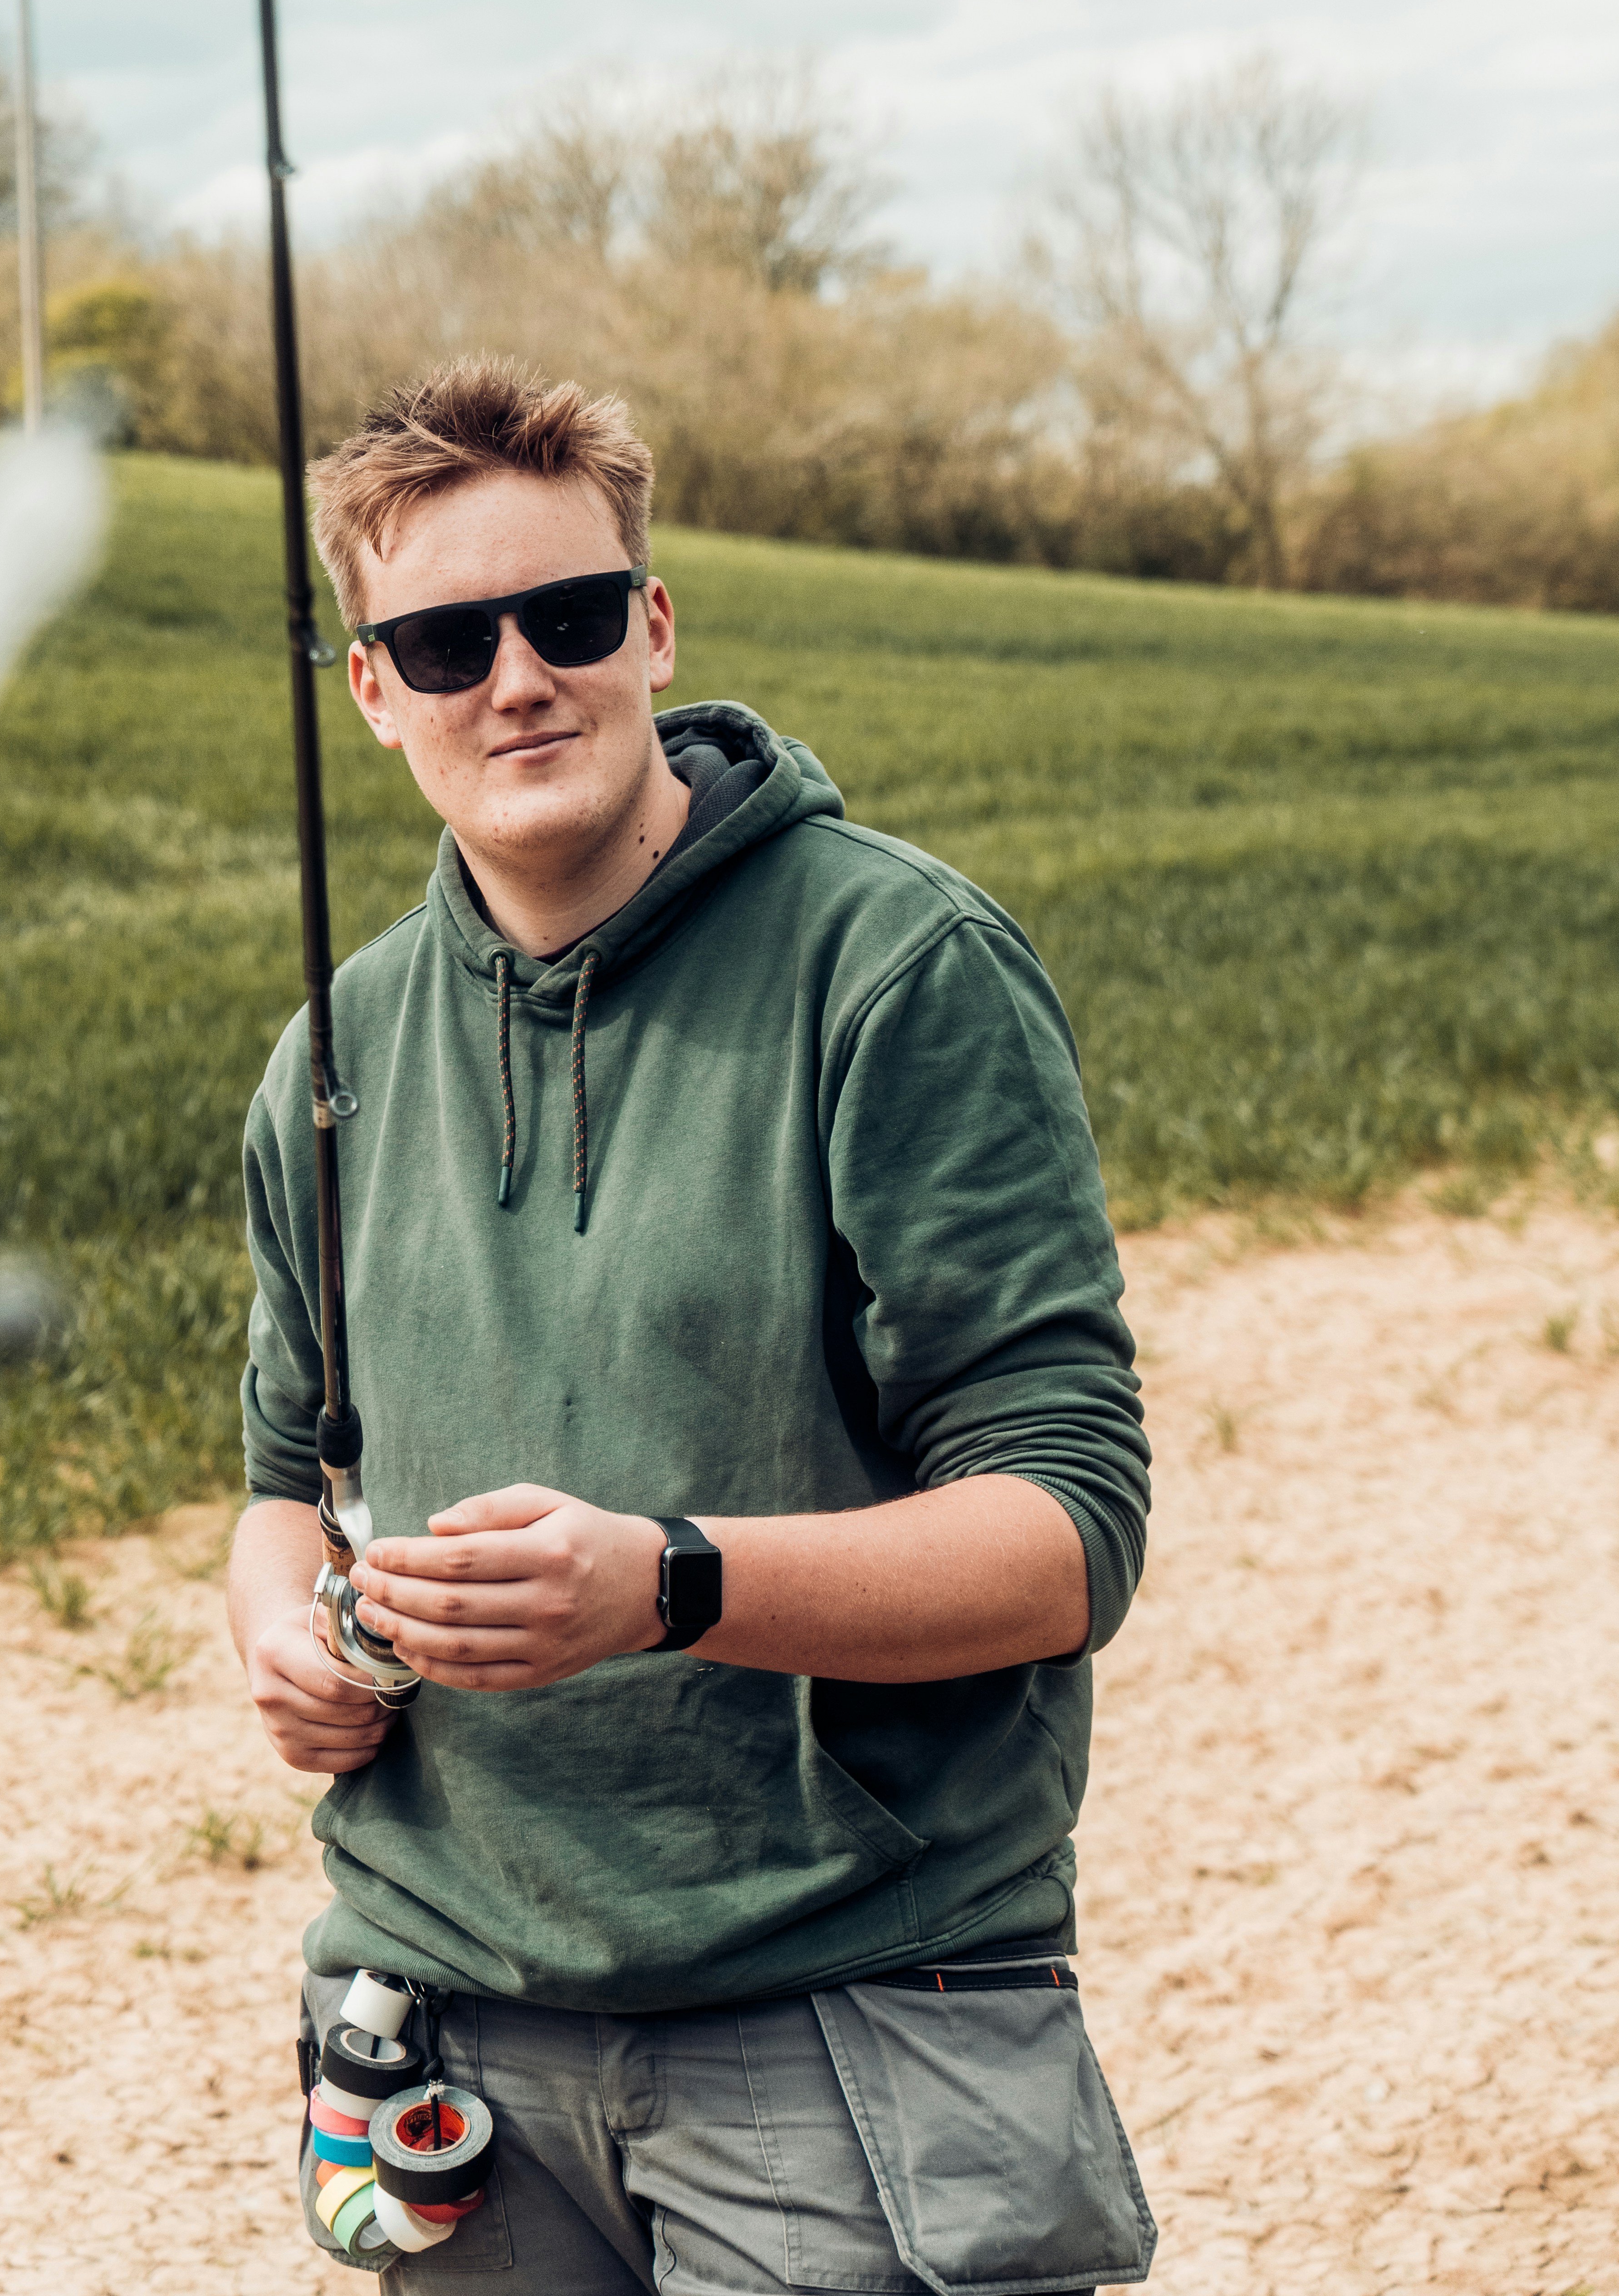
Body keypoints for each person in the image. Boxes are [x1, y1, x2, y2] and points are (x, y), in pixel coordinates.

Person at [227, 354, 1156, 2294]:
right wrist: (284, 1636)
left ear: (651, 625)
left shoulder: (899, 971)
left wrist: (664, 1584)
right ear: (371, 688)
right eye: (444, 637)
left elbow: (1068, 1536)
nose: (517, 678)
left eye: (566, 616)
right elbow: (277, 1486)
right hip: (440, 2031)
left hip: (847, 2014)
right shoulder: (334, 1054)